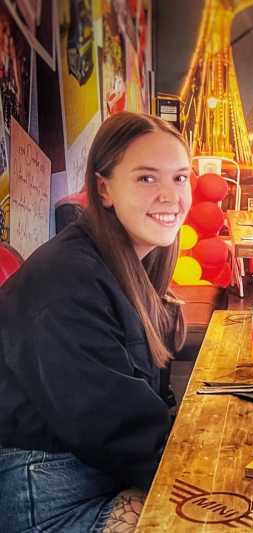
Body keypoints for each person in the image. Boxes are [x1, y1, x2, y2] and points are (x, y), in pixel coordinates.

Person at [0, 112, 193, 533]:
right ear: (104, 188)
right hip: (44, 492)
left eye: (180, 178)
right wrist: (204, 472)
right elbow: (116, 428)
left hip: (93, 468)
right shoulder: (70, 281)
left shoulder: (127, 261)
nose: (170, 196)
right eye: (147, 178)